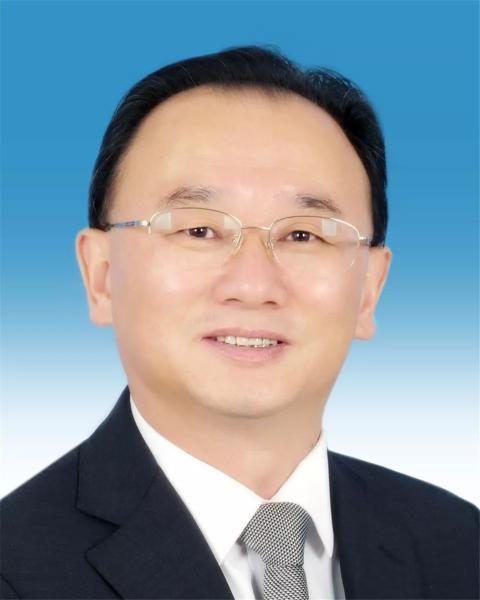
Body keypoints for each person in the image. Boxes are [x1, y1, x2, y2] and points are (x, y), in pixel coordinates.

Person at [1, 45, 477, 600]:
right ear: (101, 276)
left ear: (370, 290)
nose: (253, 285)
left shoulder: (459, 545)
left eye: (304, 235)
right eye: (198, 230)